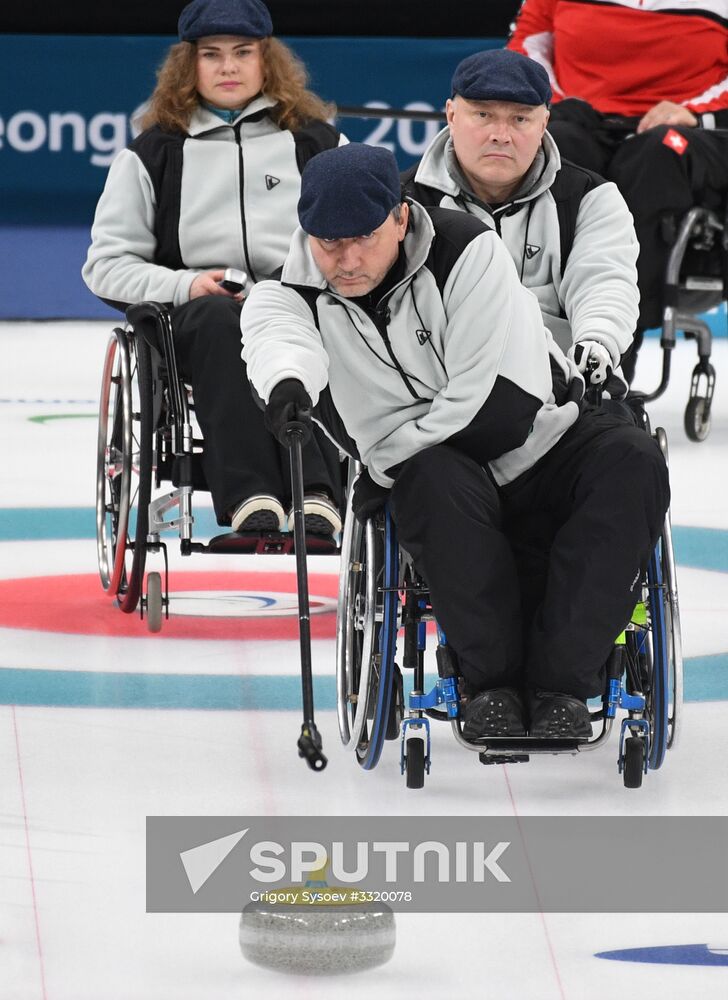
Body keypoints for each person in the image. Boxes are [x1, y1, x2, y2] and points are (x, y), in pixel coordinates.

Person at [240, 142, 670, 740]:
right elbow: (278, 339)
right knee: (432, 480)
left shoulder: (467, 249)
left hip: (539, 436)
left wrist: (386, 452)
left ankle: (562, 685)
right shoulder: (287, 293)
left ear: (399, 216)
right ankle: (490, 682)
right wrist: (287, 385)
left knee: (634, 461)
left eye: (363, 237)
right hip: (436, 478)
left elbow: (494, 404)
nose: (346, 259)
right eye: (328, 243)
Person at [83, 0, 344, 536]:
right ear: (189, 65)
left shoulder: (318, 143)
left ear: (266, 60)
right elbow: (106, 264)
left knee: (305, 321)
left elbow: (370, 233)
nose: (228, 67)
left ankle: (316, 491)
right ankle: (252, 495)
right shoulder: (153, 153)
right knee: (217, 321)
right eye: (212, 55)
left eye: (242, 53)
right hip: (204, 315)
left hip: (300, 298)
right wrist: (186, 283)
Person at [508, 0, 728, 380]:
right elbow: (527, 50)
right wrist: (553, 102)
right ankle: (536, 348)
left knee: (657, 153)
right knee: (555, 145)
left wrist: (696, 111)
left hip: (692, 130)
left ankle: (611, 358)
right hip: (585, 119)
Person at [401, 47, 639, 392]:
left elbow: (604, 281)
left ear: (544, 124)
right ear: (451, 115)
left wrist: (597, 341)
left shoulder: (591, 198)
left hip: (561, 384)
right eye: (483, 115)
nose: (501, 134)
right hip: (436, 390)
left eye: (520, 119)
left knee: (631, 448)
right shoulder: (402, 204)